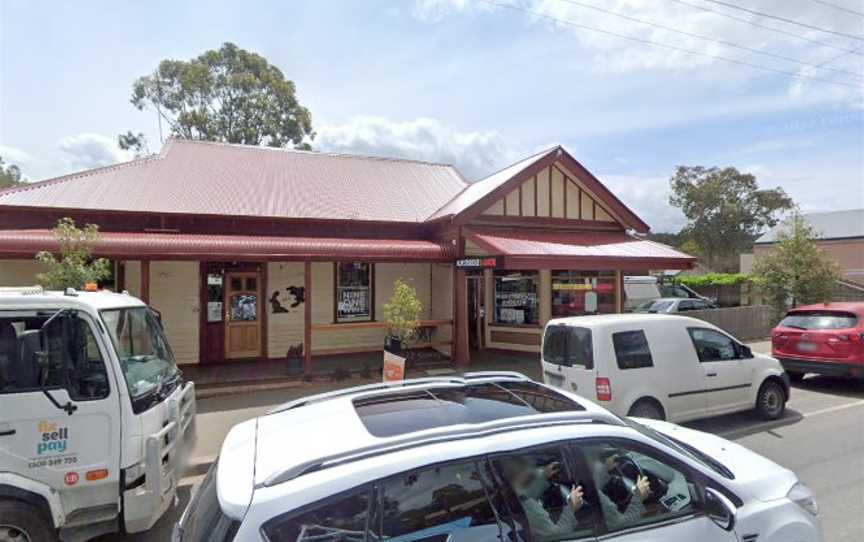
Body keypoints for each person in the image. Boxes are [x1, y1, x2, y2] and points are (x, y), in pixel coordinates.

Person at [501, 457, 585, 540]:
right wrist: (571, 507)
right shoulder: (529, 508)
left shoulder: (510, 499)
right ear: (520, 476)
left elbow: (527, 495)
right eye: (531, 470)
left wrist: (544, 476)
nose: (535, 471)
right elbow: (556, 537)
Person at [589, 450, 650, 530]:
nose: (598, 464)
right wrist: (638, 497)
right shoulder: (599, 498)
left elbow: (593, 481)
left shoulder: (580, 483)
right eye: (595, 459)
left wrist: (605, 467)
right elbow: (621, 526)